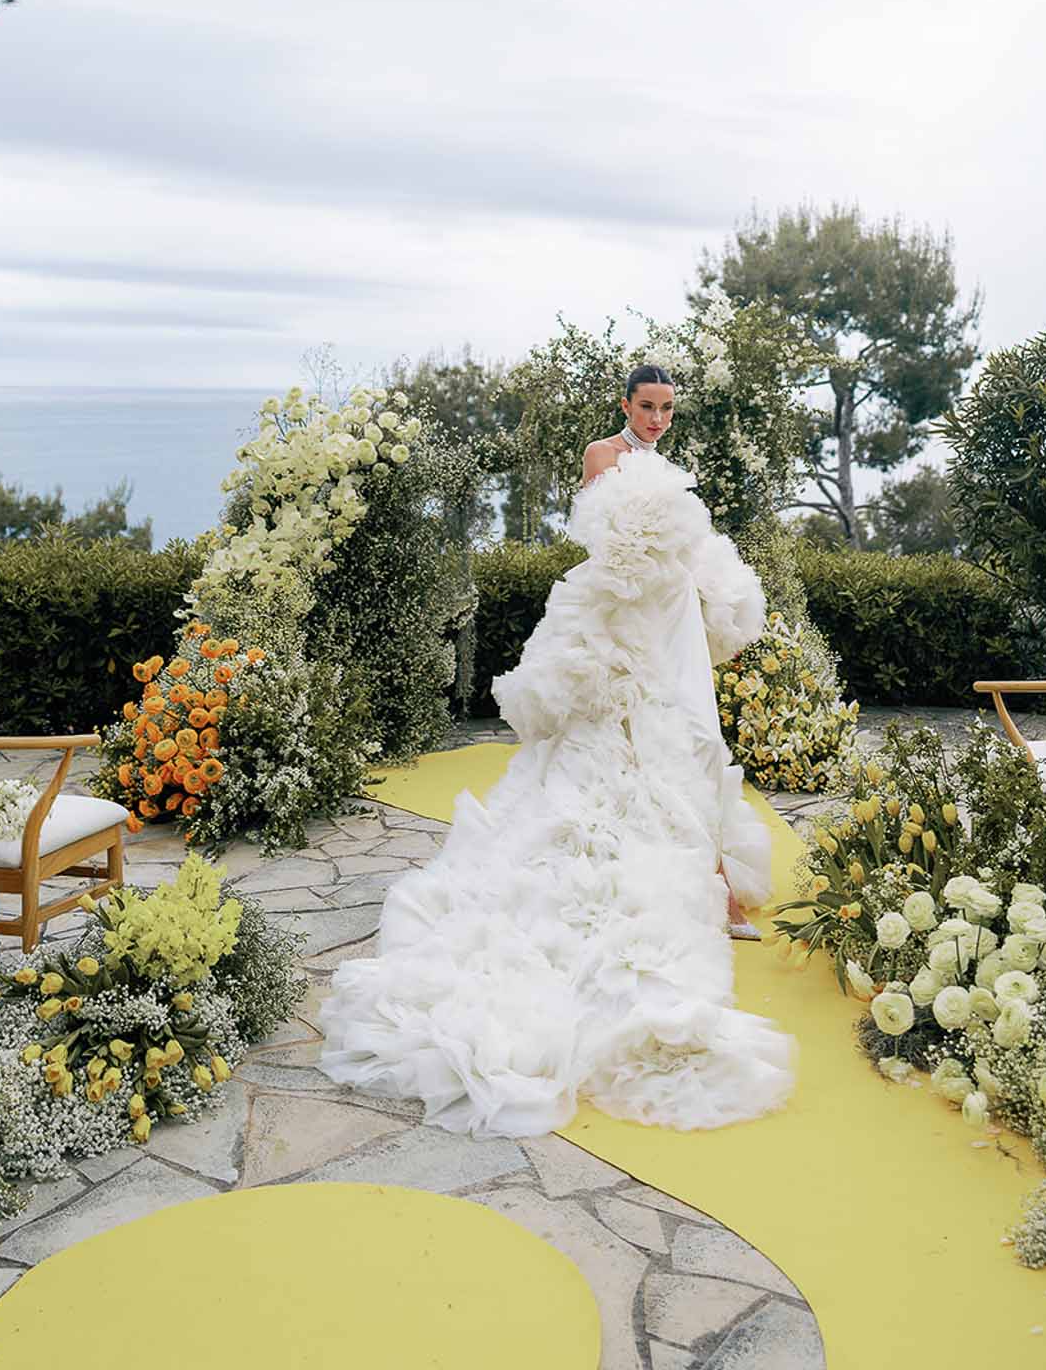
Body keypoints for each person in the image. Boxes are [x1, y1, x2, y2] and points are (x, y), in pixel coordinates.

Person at [316, 363, 797, 1138]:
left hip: (668, 620)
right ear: (625, 405)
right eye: (647, 407)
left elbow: (690, 547)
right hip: (620, 622)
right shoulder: (601, 456)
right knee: (618, 755)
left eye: (668, 409)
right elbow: (608, 547)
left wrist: (713, 592)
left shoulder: (670, 467)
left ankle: (714, 883)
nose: (657, 420)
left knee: (692, 744)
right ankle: (693, 888)